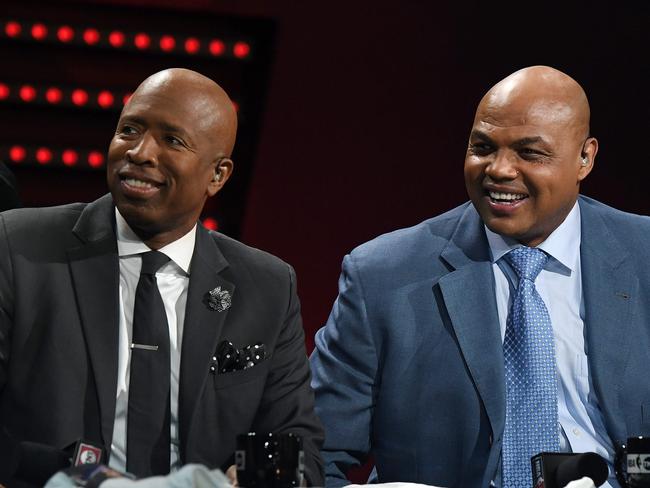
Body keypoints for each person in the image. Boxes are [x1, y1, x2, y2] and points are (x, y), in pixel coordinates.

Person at [309, 66, 650, 488]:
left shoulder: (643, 254)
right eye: (483, 147)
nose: (499, 170)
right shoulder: (382, 275)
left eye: (530, 153)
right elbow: (313, 455)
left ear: (585, 157)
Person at [0, 68, 323, 486]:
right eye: (130, 130)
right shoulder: (19, 245)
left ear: (217, 175)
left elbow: (292, 439)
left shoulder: (267, 285)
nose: (140, 152)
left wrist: (240, 482)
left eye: (172, 140)